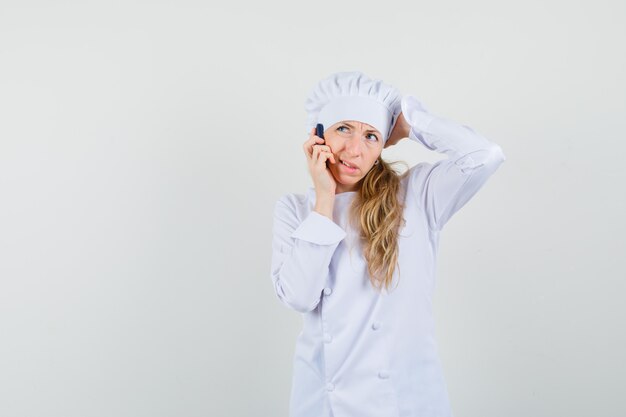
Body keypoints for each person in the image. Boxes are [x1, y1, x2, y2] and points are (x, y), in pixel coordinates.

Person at [270, 71, 506, 417]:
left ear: (383, 145)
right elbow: (299, 296)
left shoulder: (417, 196)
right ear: (318, 136)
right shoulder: (295, 210)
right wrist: (324, 198)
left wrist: (410, 123)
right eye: (343, 129)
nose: (355, 149)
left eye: (371, 136)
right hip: (324, 404)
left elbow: (486, 155)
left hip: (406, 400)